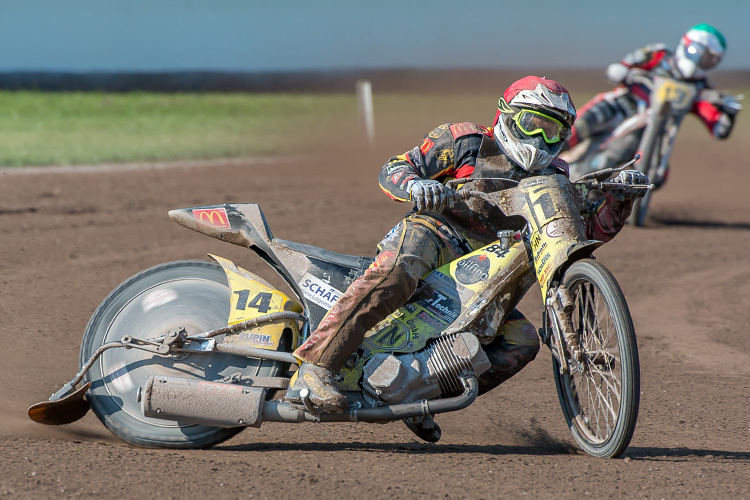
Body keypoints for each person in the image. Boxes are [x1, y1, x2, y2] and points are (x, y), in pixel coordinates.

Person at [284, 76, 649, 437]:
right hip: (437, 232)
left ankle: (421, 395)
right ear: (506, 116)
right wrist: (417, 185)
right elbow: (395, 168)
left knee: (521, 341)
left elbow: (583, 234)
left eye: (551, 132)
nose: (539, 139)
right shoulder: (464, 141)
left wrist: (620, 200)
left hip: (489, 267)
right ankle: (315, 368)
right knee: (398, 270)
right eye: (531, 124)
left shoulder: (556, 174)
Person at [565, 23, 739, 175]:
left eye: (709, 60)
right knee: (574, 129)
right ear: (687, 44)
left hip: (643, 130)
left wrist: (729, 112)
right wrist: (621, 70)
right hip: (621, 104)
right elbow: (627, 63)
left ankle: (576, 184)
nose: (700, 61)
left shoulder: (701, 88)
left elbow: (718, 126)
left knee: (608, 160)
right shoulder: (660, 55)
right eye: (699, 53)